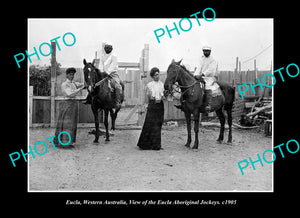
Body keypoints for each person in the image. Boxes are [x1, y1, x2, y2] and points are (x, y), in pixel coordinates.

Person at [83, 42, 123, 109]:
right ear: (104, 48)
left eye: (109, 48)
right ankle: (89, 99)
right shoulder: (102, 56)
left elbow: (113, 66)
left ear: (111, 48)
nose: (107, 49)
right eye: (106, 47)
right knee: (94, 84)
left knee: (117, 86)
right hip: (103, 74)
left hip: (112, 74)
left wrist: (107, 72)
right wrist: (101, 72)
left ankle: (117, 102)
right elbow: (101, 65)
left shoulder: (114, 56)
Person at [53, 67, 85, 148]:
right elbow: (70, 94)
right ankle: (63, 143)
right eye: (70, 74)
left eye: (73, 74)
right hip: (67, 104)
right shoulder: (64, 84)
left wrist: (85, 84)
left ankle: (69, 142)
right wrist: (80, 89)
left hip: (73, 105)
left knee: (72, 124)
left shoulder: (74, 83)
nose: (72, 76)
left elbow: (83, 85)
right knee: (66, 124)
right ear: (67, 75)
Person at [137, 67, 165, 150]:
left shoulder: (162, 84)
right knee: (149, 123)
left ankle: (156, 145)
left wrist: (162, 97)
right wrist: (150, 100)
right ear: (152, 76)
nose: (157, 76)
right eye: (156, 75)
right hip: (152, 106)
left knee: (158, 124)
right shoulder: (149, 85)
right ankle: (145, 145)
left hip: (160, 106)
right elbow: (148, 97)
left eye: (158, 74)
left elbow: (164, 96)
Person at [194, 45, 219, 112]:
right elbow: (198, 67)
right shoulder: (201, 59)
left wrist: (202, 74)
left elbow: (211, 70)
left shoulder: (213, 60)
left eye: (207, 51)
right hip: (201, 77)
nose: (206, 52)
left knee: (207, 86)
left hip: (210, 77)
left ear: (210, 51)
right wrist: (196, 75)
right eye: (204, 51)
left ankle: (208, 104)